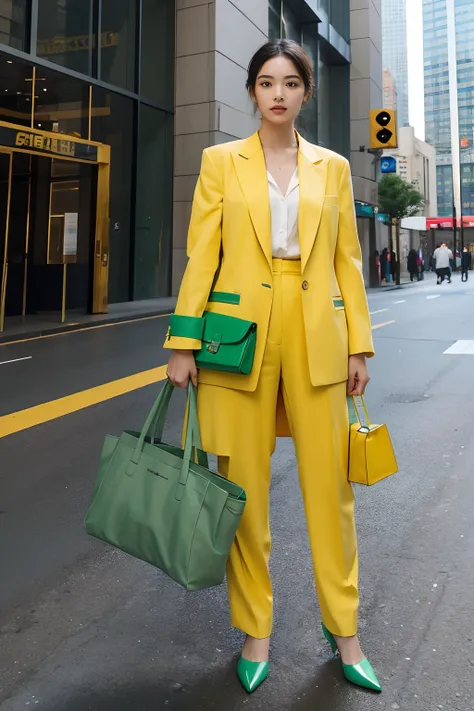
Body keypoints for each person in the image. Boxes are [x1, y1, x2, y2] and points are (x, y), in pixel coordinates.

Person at [165, 39, 381, 695]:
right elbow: (202, 253)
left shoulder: (334, 168)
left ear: (306, 93)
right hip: (234, 334)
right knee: (242, 490)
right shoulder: (219, 163)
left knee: (331, 492)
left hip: (318, 329)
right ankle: (255, 627)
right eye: (267, 82)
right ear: (253, 92)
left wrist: (358, 343)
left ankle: (345, 630)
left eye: (291, 82)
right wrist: (183, 339)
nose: (279, 93)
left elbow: (347, 258)